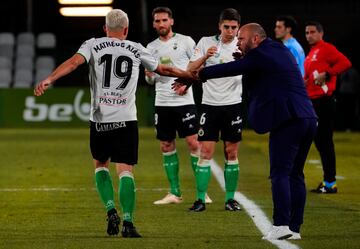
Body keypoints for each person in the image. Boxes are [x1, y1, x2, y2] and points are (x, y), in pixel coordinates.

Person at [34, 9, 193, 237]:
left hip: (99, 120)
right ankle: (128, 222)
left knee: (100, 165)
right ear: (126, 30)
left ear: (104, 29)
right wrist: (188, 75)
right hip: (126, 120)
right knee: (126, 171)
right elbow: (163, 69)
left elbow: (73, 63)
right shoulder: (137, 48)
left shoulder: (92, 44)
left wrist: (49, 79)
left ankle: (110, 210)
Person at [174, 23, 317, 240]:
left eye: (241, 38)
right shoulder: (278, 49)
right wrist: (243, 59)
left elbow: (227, 69)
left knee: (279, 173)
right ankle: (294, 227)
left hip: (289, 119)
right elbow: (258, 72)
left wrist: (195, 75)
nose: (238, 42)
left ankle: (281, 225)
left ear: (255, 39)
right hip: (308, 117)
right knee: (295, 174)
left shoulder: (259, 54)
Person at [145, 7, 212, 205]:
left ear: (171, 21)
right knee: (166, 145)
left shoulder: (186, 41)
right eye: (157, 21)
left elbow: (199, 66)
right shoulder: (150, 47)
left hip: (185, 101)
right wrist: (149, 77)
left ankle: (202, 192)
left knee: (193, 142)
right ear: (153, 24)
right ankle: (174, 193)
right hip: (162, 102)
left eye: (164, 20)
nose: (161, 24)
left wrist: (187, 83)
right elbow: (150, 79)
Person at [186, 8, 242, 212]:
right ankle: (200, 200)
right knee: (206, 151)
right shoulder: (205, 42)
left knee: (231, 151)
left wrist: (243, 60)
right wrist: (205, 57)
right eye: (226, 26)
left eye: (233, 27)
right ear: (219, 26)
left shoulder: (242, 45)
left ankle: (230, 199)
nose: (230, 31)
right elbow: (190, 69)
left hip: (233, 104)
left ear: (238, 28)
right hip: (210, 105)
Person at [304, 21, 352, 193]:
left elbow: (345, 63)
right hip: (313, 102)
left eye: (312, 32)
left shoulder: (326, 48)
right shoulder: (312, 53)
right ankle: (328, 181)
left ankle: (330, 183)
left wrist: (328, 73)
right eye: (307, 32)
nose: (309, 35)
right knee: (319, 142)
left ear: (320, 33)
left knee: (324, 143)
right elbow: (310, 78)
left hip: (323, 101)